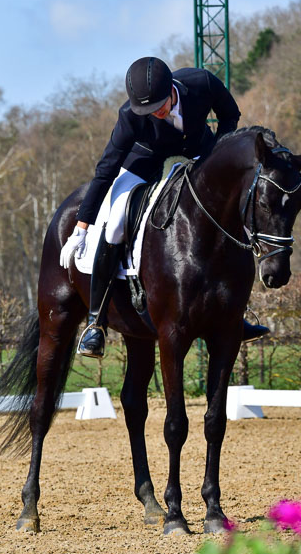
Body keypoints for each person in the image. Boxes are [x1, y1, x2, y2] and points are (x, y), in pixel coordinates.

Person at [60, 56, 268, 357]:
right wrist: (81, 227)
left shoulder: (202, 83)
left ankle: (237, 313)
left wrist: (217, 155)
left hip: (199, 152)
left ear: (172, 88)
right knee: (116, 221)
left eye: (159, 105)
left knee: (228, 210)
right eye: (148, 110)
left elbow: (230, 114)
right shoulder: (131, 115)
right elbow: (106, 169)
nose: (155, 114)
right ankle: (96, 322)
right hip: (144, 159)